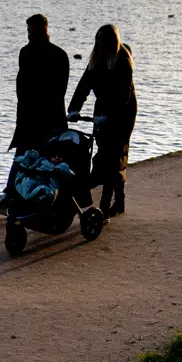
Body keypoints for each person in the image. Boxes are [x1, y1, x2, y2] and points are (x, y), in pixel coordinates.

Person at [0, 13, 70, 210]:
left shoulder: (58, 55)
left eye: (34, 31)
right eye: (28, 31)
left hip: (49, 120)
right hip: (28, 118)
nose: (30, 36)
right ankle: (12, 196)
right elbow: (21, 87)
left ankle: (19, 197)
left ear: (45, 30)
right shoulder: (25, 53)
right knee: (24, 158)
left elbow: (59, 90)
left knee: (41, 160)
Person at [69, 24, 137, 217]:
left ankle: (107, 206)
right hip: (104, 108)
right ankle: (117, 202)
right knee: (105, 151)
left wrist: (110, 116)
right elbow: (84, 85)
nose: (99, 44)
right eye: (97, 40)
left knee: (113, 155)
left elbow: (123, 96)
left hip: (123, 112)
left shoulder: (122, 60)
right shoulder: (96, 60)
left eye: (103, 40)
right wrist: (74, 109)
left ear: (112, 41)